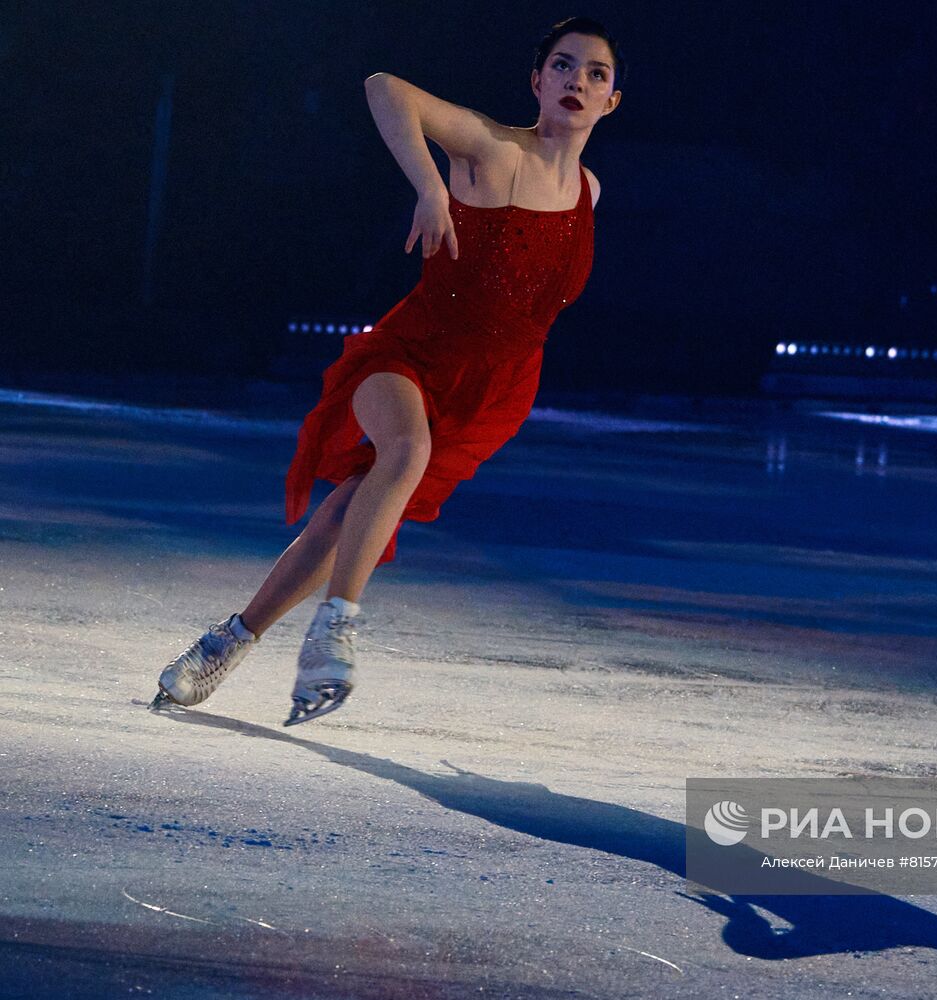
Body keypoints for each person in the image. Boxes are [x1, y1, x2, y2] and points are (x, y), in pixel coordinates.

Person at [148, 16, 624, 726]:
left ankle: (230, 639)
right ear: (536, 80)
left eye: (595, 74)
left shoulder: (588, 192)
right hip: (410, 353)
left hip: (492, 391)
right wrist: (431, 188)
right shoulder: (492, 150)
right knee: (405, 449)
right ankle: (334, 632)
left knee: (344, 516)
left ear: (612, 99)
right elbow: (385, 88)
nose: (576, 82)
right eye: (562, 66)